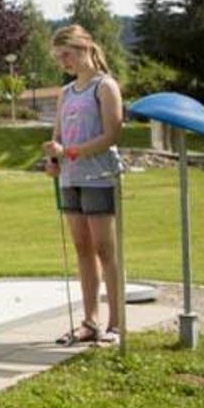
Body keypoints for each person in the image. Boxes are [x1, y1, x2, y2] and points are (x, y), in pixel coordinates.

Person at [42, 24, 124, 345]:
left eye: (67, 54)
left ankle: (116, 324)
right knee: (82, 248)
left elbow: (111, 135)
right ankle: (90, 322)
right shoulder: (66, 93)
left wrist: (71, 152)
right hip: (70, 178)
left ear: (85, 47)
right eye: (59, 57)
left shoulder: (105, 87)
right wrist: (54, 159)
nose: (64, 62)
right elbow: (58, 136)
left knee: (105, 249)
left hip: (99, 176)